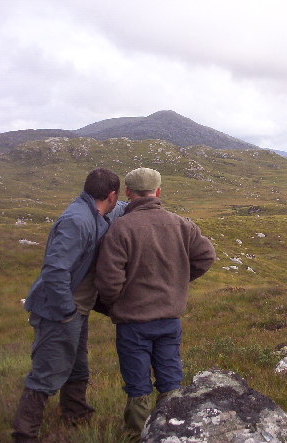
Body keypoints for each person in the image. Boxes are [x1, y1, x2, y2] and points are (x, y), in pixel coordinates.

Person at [94, 167, 216, 437]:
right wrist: (178, 283)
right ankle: (170, 433)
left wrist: (115, 303)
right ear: (158, 192)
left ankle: (137, 435)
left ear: (128, 193)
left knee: (138, 386)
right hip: (169, 320)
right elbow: (206, 257)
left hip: (132, 323)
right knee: (171, 381)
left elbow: (108, 281)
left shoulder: (120, 228)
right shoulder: (181, 224)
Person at [12, 168, 127, 443]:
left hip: (78, 308)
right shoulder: (77, 221)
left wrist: (144, 200)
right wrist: (66, 312)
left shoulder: (97, 211)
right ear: (110, 194)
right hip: (59, 310)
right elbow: (55, 270)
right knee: (48, 372)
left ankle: (76, 413)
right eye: (117, 197)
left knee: (77, 366)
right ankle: (24, 434)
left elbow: (122, 208)